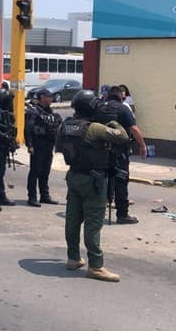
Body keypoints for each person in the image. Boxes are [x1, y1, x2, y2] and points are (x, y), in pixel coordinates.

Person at [57, 90, 130, 282]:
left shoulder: (65, 125)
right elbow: (122, 136)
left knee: (72, 220)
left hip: (73, 176)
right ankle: (96, 266)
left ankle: (73, 258)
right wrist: (113, 122)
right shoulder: (95, 128)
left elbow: (59, 146)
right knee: (93, 223)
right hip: (93, 180)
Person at [94, 85, 146, 224]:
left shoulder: (99, 108)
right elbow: (134, 129)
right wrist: (142, 145)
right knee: (121, 181)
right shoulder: (123, 108)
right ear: (120, 96)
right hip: (118, 152)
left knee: (99, 179)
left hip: (100, 151)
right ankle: (122, 215)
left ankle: (94, 211)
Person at [24, 88, 62, 207]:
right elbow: (28, 129)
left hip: (48, 146)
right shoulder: (33, 111)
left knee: (45, 172)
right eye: (48, 96)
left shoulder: (50, 112)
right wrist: (29, 145)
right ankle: (32, 197)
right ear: (42, 97)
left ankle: (44, 196)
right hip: (37, 145)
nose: (51, 98)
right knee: (35, 171)